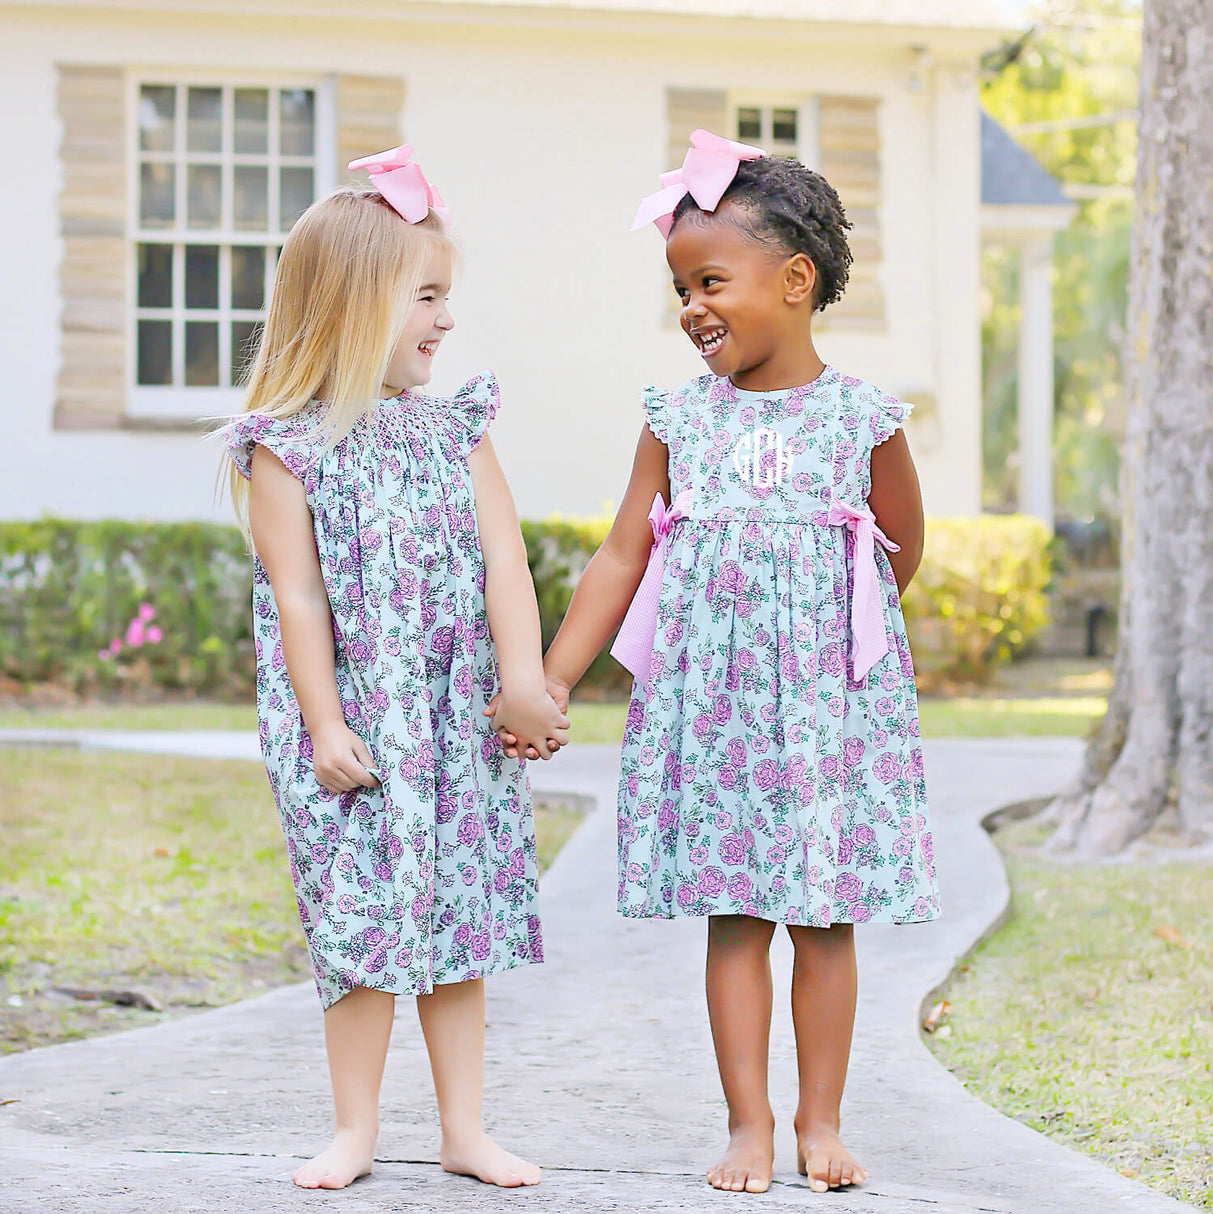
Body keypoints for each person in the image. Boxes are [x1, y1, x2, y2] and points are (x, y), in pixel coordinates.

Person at [495, 130, 940, 1195]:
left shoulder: (861, 418)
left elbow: (897, 548)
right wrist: (552, 675)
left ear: (793, 281)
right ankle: (746, 1123)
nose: (690, 305)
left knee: (822, 916)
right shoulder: (676, 419)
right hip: (715, 712)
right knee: (734, 915)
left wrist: (827, 650)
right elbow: (621, 553)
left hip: (825, 711)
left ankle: (818, 1121)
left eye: (709, 280)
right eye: (678, 286)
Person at [223, 146, 568, 1191]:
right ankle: (356, 1126)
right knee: (362, 919)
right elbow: (299, 596)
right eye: (426, 294)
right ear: (354, 302)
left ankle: (463, 1125)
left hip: (456, 716)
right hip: (360, 729)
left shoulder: (456, 429)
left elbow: (504, 554)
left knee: (455, 919)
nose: (444, 318)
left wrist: (522, 673)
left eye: (445, 295)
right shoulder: (289, 446)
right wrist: (324, 724)